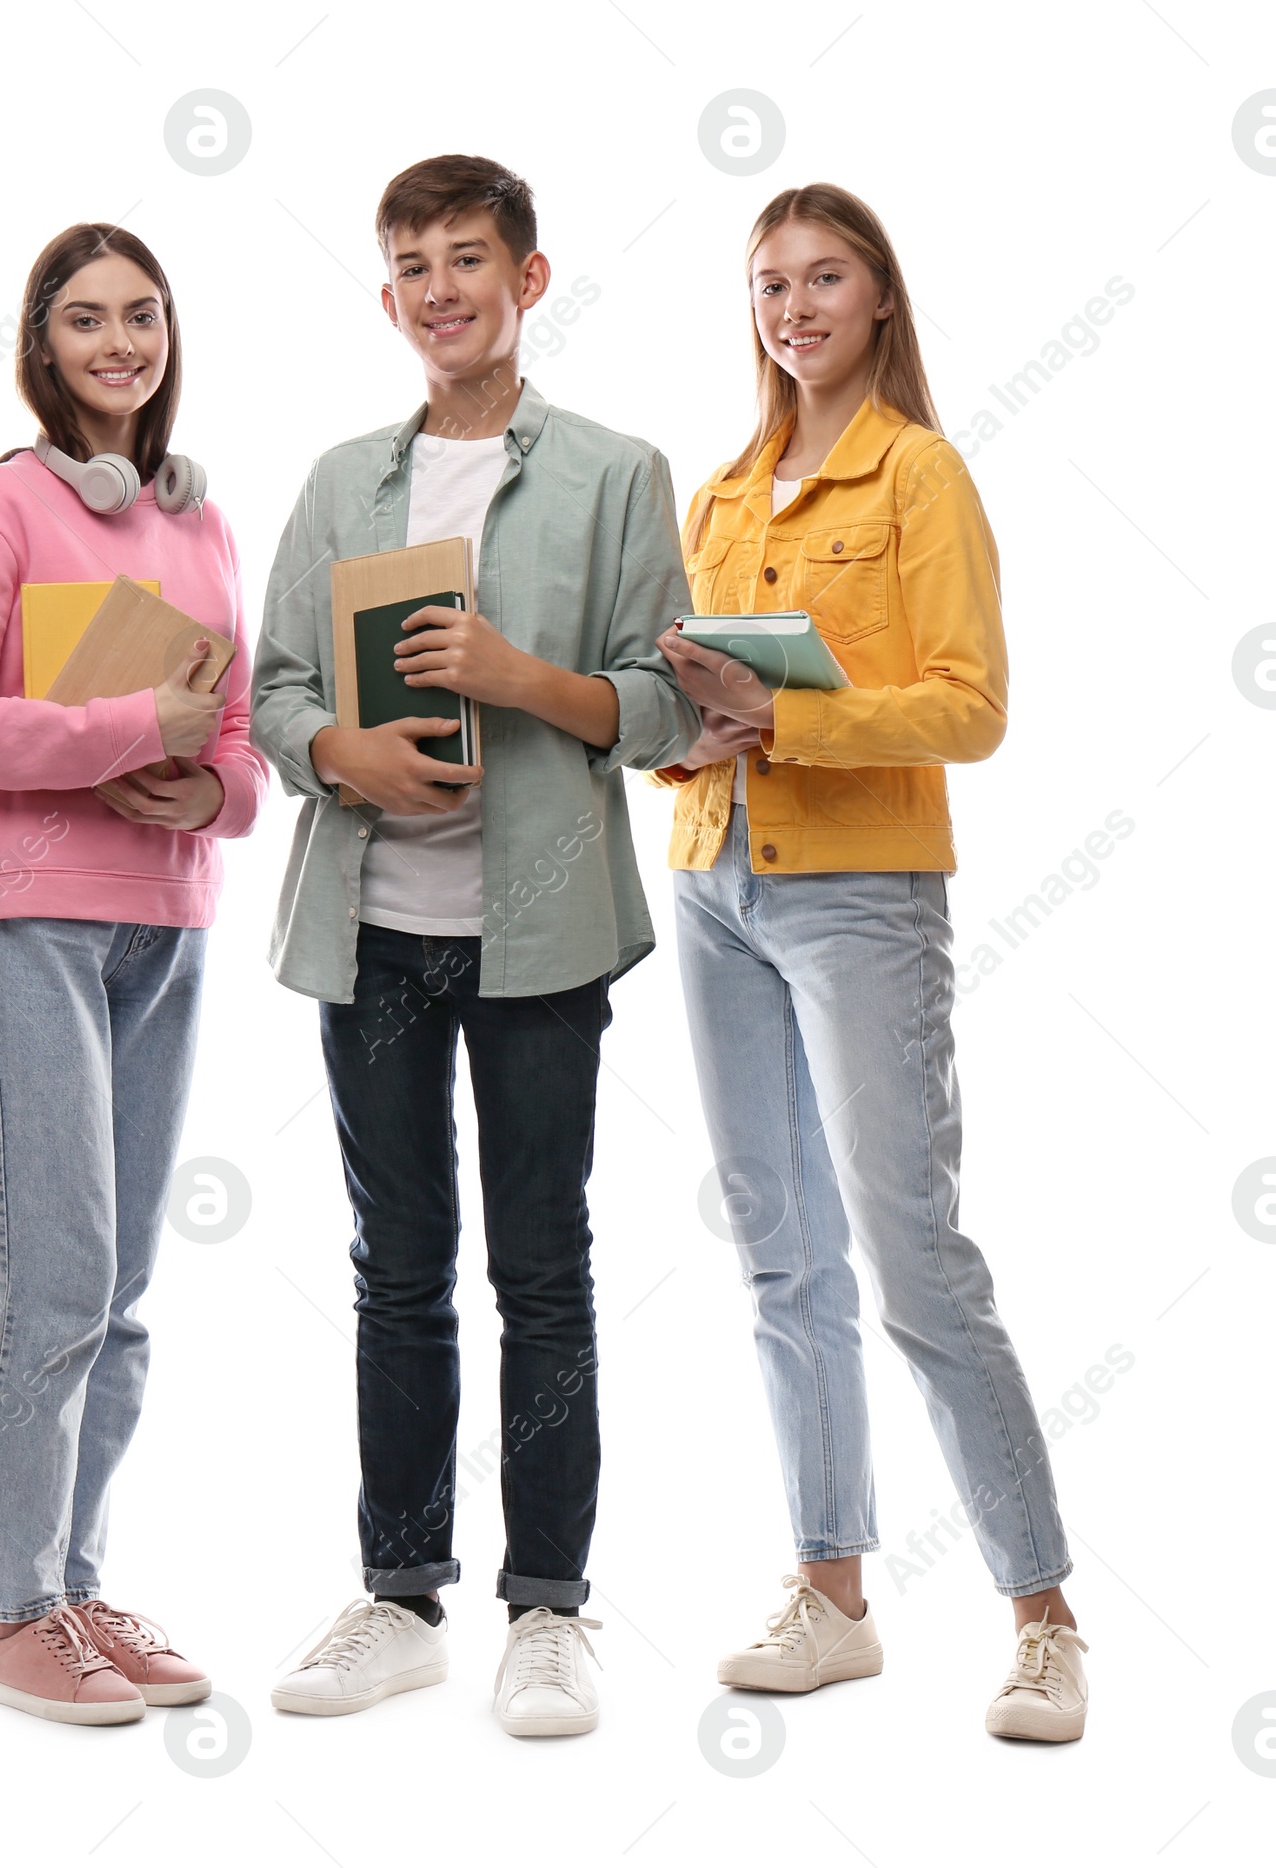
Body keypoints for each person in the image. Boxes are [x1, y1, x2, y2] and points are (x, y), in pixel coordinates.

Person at [250, 154, 697, 1737]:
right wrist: (335, 759)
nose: (442, 288)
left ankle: (552, 1609)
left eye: (468, 259)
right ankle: (397, 1593)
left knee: (546, 1271)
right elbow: (275, 687)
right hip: (372, 930)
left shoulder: (614, 472)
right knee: (395, 1273)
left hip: (542, 936)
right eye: (413, 266)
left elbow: (660, 707)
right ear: (389, 299)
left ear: (530, 278)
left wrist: (518, 676)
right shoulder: (334, 482)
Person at [655, 182, 1089, 1742]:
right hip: (715, 880)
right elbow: (686, 709)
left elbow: (971, 705)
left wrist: (795, 717)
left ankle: (1044, 1619)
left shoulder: (920, 475)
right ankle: (831, 1597)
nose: (795, 306)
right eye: (771, 282)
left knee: (914, 1259)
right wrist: (684, 724)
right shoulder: (717, 493)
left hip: (861, 895)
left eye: (825, 276)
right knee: (782, 1253)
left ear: (881, 298)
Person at [0, 222, 266, 1725]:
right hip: (30, 921)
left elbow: (236, 742)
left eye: (143, 317)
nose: (120, 343)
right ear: (42, 347)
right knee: (54, 1286)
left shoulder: (203, 522)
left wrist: (212, 797)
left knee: (119, 1297)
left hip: (166, 925)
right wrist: (126, 731)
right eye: (88, 320)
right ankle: (10, 1617)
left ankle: (76, 1580)